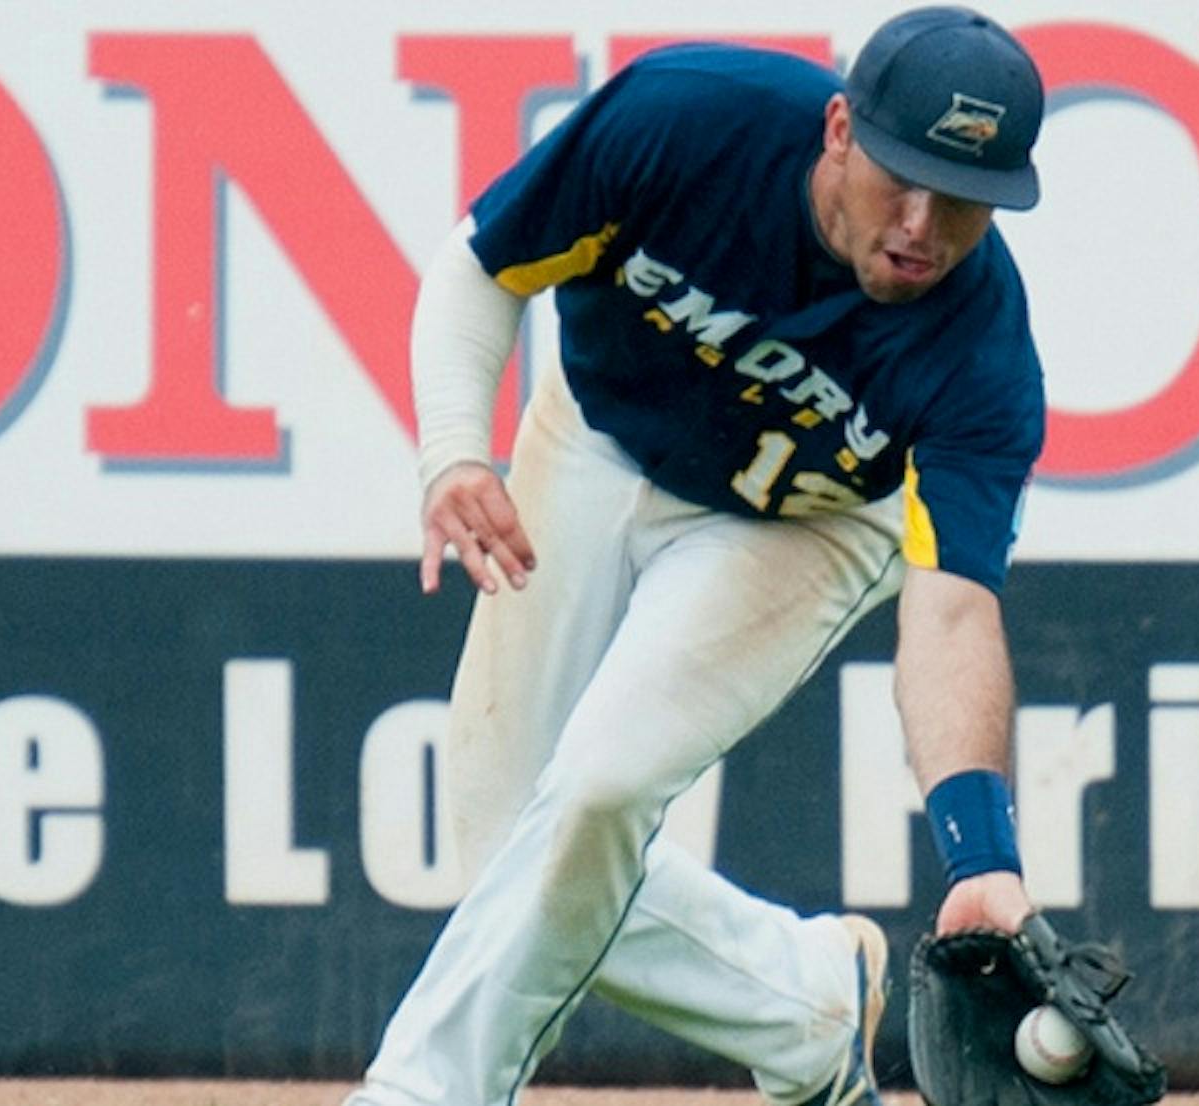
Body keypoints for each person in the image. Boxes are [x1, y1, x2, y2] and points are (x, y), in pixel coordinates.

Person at [351, 7, 1046, 1104]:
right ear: (835, 128)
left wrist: (981, 855)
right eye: (897, 175)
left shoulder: (982, 359)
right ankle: (807, 1001)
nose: (919, 223)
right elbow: (480, 266)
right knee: (507, 846)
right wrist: (451, 452)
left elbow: (953, 613)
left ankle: (419, 1090)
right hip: (594, 432)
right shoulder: (686, 121)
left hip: (799, 526)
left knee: (596, 787)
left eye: (960, 199)